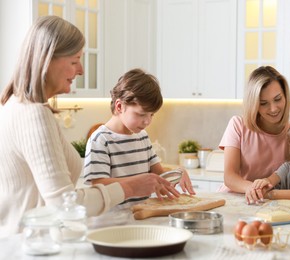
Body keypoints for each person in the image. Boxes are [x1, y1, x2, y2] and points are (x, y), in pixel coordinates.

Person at [0, 16, 179, 238]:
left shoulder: (18, 106)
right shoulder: (33, 114)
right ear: (47, 60)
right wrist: (130, 187)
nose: (81, 70)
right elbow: (62, 206)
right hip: (30, 245)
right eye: (75, 61)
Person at [83, 68, 195, 202]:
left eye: (151, 115)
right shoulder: (101, 139)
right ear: (119, 106)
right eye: (141, 114)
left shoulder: (142, 136)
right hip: (112, 218)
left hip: (141, 212)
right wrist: (137, 183)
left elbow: (158, 173)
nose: (147, 121)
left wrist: (178, 172)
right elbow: (98, 185)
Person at [219, 66, 290, 204]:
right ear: (254, 104)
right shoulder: (238, 125)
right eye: (263, 103)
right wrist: (252, 188)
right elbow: (230, 177)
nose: (273, 108)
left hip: (270, 203)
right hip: (235, 201)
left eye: (278, 99)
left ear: (285, 96)